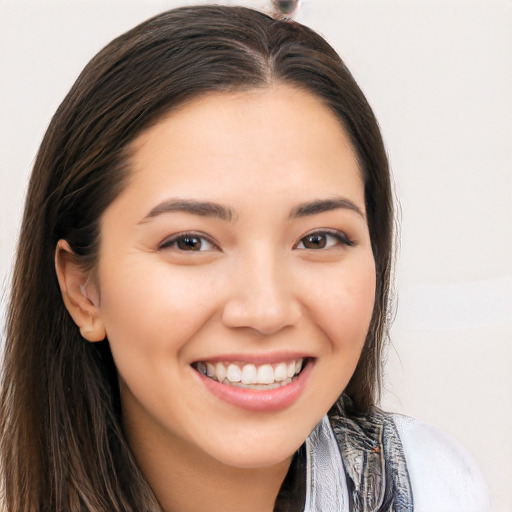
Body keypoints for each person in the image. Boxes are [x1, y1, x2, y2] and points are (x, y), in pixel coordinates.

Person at [0, 5, 489, 512]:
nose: (265, 310)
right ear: (84, 290)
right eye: (190, 242)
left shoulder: (437, 489)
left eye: (318, 239)